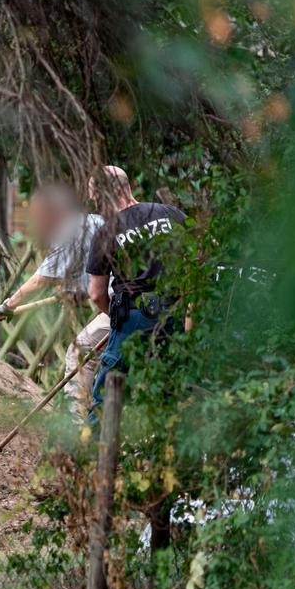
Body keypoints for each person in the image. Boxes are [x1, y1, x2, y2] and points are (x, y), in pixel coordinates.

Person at [0, 183, 109, 417]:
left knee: (80, 352)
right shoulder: (94, 221)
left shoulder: (68, 231)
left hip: (121, 305)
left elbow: (42, 278)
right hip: (132, 299)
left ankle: (75, 427)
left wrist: (8, 305)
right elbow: (92, 270)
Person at [84, 166, 186, 420]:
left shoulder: (106, 233)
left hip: (134, 318)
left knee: (108, 393)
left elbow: (96, 294)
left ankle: (93, 455)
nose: (96, 204)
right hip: (175, 316)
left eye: (96, 197)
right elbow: (200, 259)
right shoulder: (170, 214)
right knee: (169, 391)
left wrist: (119, 318)